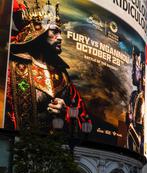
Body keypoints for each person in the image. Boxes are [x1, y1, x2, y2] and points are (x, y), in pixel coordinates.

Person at [5, 1, 91, 132]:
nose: (60, 38)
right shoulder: (10, 67)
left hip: (54, 148)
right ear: (38, 31)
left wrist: (66, 112)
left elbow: (84, 120)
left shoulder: (62, 76)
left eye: (60, 32)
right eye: (55, 32)